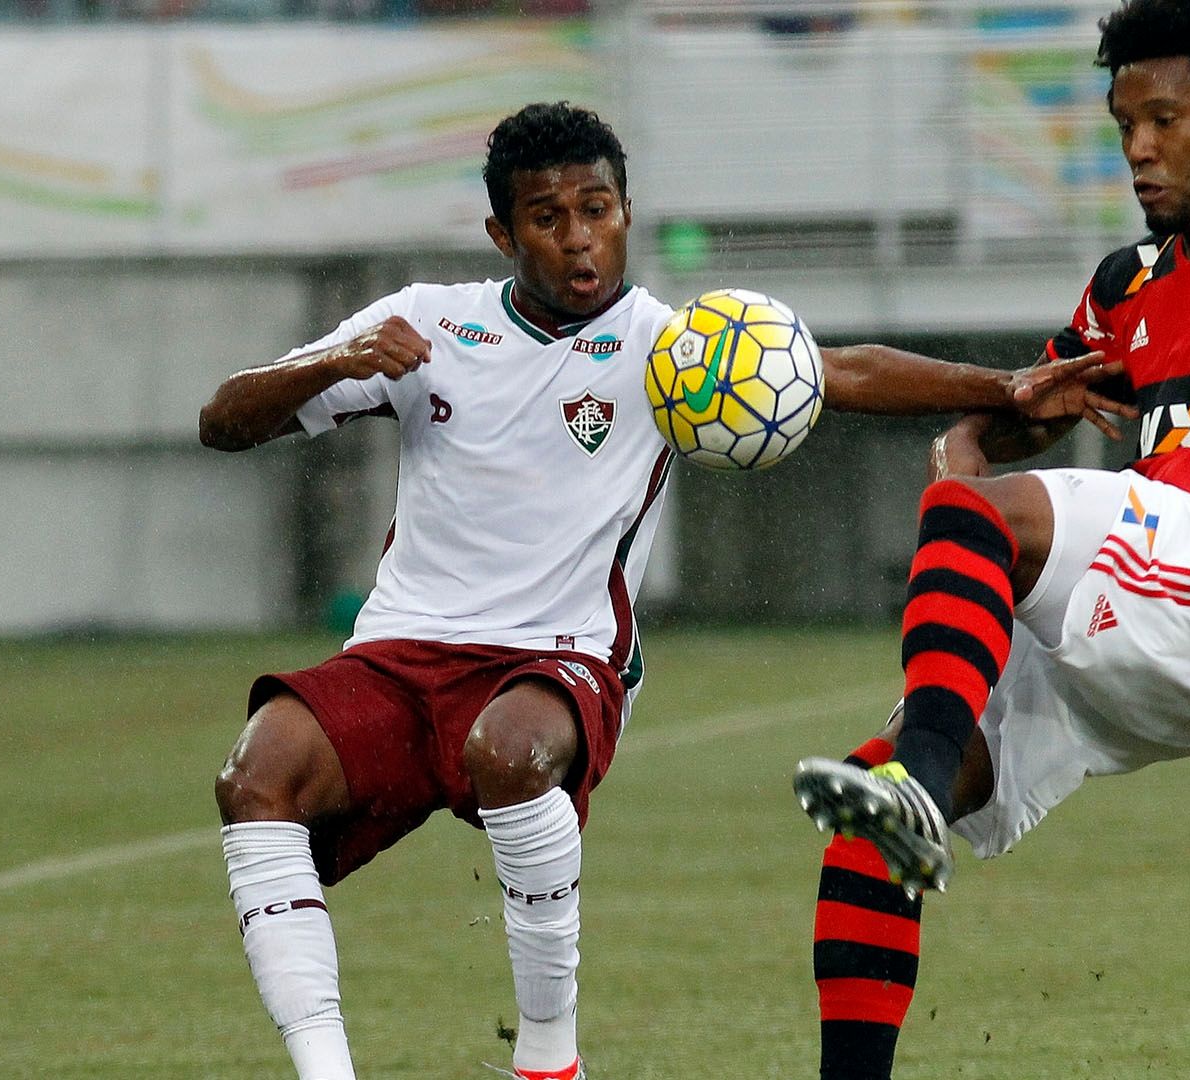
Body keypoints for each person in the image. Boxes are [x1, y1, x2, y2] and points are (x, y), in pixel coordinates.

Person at [199, 101, 1127, 1080]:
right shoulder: (427, 323)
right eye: (548, 218)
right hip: (399, 651)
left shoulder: (668, 347)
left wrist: (1008, 387)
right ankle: (323, 1069)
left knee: (508, 753)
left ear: (627, 213)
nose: (578, 238)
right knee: (256, 776)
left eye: (596, 209)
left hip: (557, 658)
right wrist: (334, 362)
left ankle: (550, 1059)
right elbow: (224, 421)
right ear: (501, 234)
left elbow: (838, 369)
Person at [788, 2, 1190, 1076]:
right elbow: (1012, 409)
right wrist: (963, 444)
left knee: (984, 546)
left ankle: (923, 778)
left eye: (1164, 118)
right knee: (867, 816)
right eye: (1123, 121)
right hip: (1134, 628)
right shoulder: (1130, 284)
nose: (1135, 147)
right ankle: (911, 816)